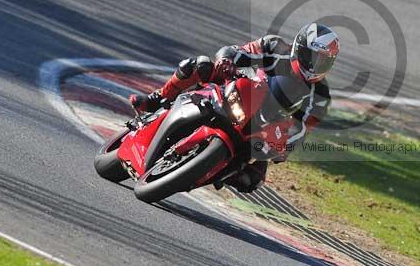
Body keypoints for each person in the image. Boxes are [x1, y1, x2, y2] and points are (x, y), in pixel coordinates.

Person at [130, 22, 339, 193]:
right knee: (197, 65)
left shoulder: (320, 96)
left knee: (252, 180)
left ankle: (208, 172)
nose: (315, 65)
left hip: (261, 127)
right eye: (313, 57)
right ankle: (155, 99)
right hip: (235, 90)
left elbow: (301, 131)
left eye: (323, 61)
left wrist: (283, 148)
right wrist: (226, 61)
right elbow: (234, 51)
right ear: (300, 49)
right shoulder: (274, 47)